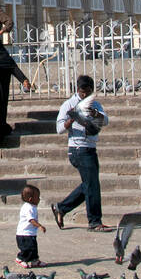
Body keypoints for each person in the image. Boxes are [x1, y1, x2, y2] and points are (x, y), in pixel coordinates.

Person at [52, 74, 111, 232]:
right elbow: (59, 129)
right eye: (81, 91)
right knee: (92, 185)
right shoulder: (68, 104)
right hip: (78, 149)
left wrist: (96, 114)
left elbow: (105, 121)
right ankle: (94, 221)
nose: (84, 94)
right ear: (77, 89)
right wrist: (71, 119)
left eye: (87, 91)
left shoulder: (95, 104)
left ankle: (61, 208)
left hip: (90, 147)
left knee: (90, 185)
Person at [16, 184, 47, 268]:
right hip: (24, 234)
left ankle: (34, 261)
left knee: (33, 248)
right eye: (37, 197)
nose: (39, 199)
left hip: (30, 233)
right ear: (31, 199)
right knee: (27, 249)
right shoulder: (28, 208)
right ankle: (20, 258)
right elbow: (31, 220)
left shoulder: (32, 207)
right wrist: (39, 226)